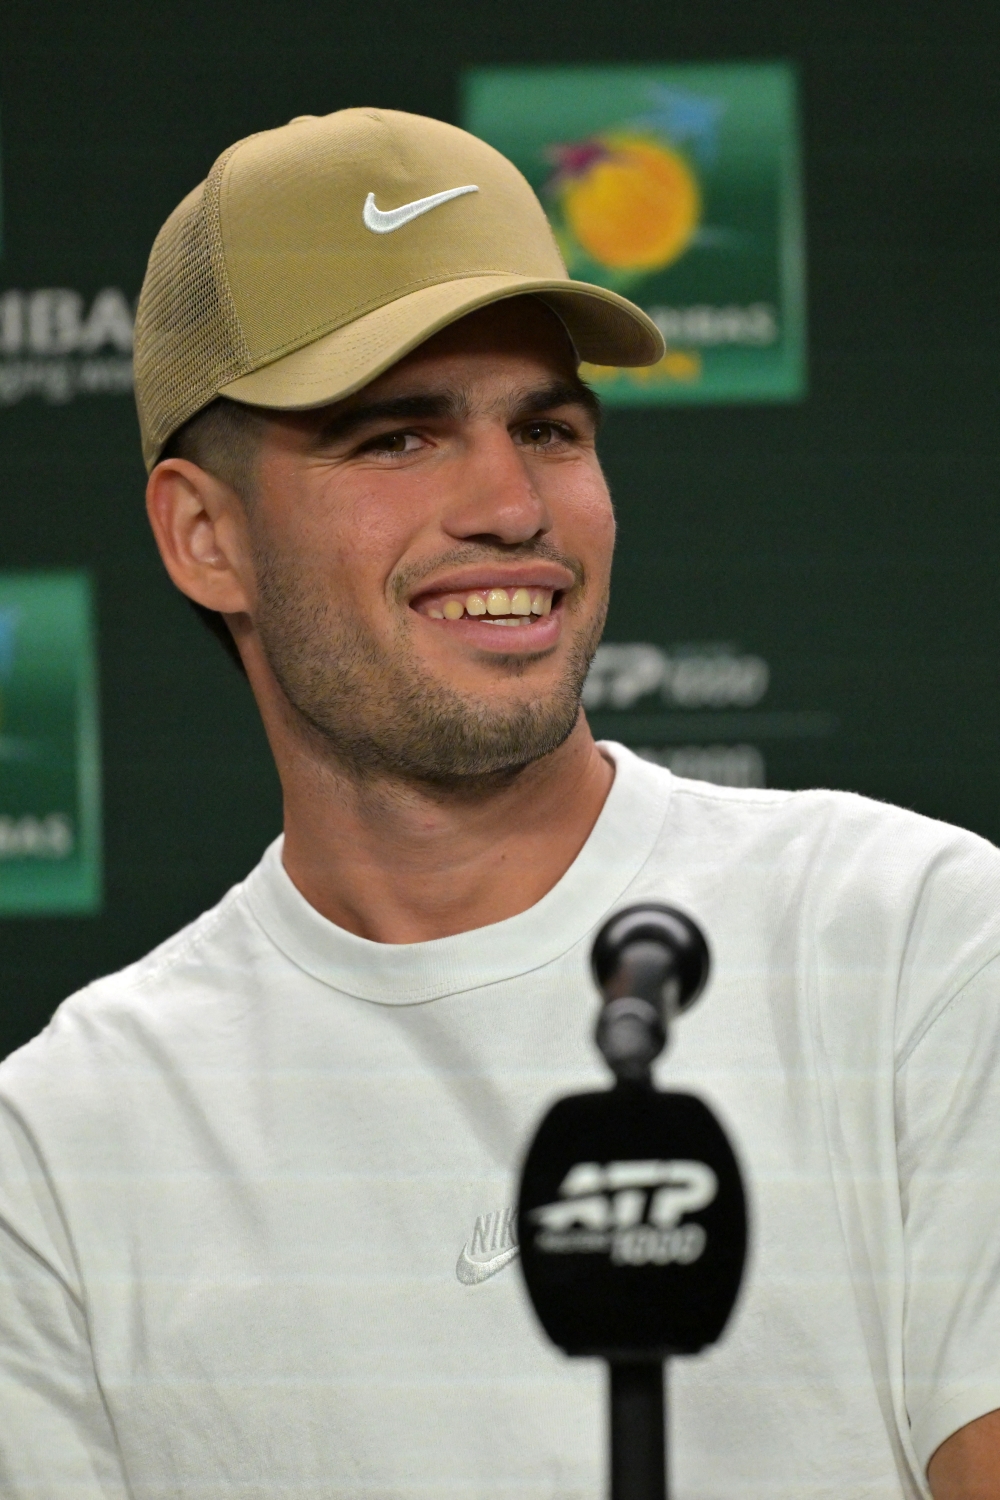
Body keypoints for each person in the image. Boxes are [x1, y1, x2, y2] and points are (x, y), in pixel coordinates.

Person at [0, 107, 997, 1500]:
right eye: (397, 437)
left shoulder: (919, 943)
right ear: (204, 534)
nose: (512, 503)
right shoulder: (62, 1150)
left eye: (547, 427)